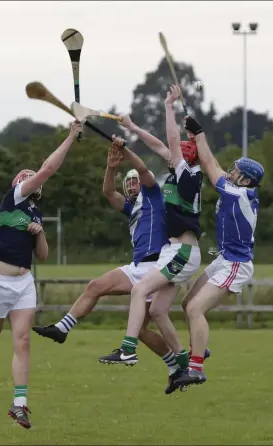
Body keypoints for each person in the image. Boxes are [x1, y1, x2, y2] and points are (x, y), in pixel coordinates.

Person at [32, 139, 187, 380]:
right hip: (137, 266)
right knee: (96, 286)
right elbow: (107, 192)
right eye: (130, 183)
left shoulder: (154, 196)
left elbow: (144, 169)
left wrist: (126, 150)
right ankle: (62, 329)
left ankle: (176, 364)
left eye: (136, 181)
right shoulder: (131, 208)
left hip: (157, 266)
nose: (133, 185)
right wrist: (111, 167)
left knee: (143, 330)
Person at [0, 121, 82, 429]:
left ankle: (19, 405)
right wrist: (71, 135)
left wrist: (40, 233)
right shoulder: (12, 198)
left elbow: (42, 255)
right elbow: (47, 169)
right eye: (27, 176)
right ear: (19, 182)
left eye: (34, 178)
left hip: (23, 283)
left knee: (22, 341)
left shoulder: (36, 213)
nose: (33, 179)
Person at [98, 85, 203, 381]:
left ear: (184, 158)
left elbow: (168, 140)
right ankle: (186, 363)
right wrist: (132, 128)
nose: (168, 153)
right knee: (157, 311)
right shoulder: (178, 172)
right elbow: (160, 144)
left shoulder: (189, 177)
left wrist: (168, 106)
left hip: (183, 252)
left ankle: (128, 349)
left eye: (176, 153)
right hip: (175, 253)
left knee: (139, 290)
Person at [172, 110, 264, 390]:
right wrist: (196, 139)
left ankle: (196, 368)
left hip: (236, 264)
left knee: (197, 308)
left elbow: (212, 168)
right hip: (224, 260)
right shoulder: (239, 187)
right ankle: (200, 349)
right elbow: (210, 162)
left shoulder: (241, 193)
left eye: (236, 171)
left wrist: (200, 135)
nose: (231, 172)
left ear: (246, 180)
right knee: (188, 304)